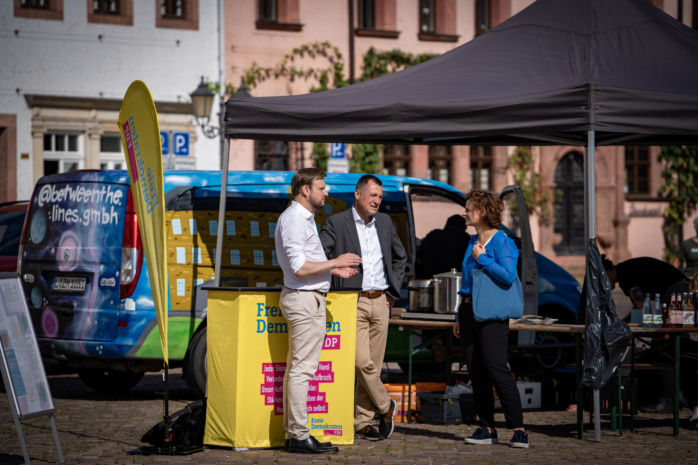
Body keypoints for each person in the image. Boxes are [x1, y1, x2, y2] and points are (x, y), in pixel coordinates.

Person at [275, 168, 362, 454]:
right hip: (304, 300)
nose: (327, 192)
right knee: (302, 371)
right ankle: (300, 436)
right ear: (305, 190)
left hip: (306, 297)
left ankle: (295, 433)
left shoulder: (302, 218)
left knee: (297, 370)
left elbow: (305, 264)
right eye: (322, 188)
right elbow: (300, 268)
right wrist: (335, 261)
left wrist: (332, 270)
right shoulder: (294, 220)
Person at [320, 174, 407, 441]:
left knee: (373, 366)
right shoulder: (337, 222)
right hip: (352, 301)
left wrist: (393, 290)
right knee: (361, 361)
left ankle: (362, 421)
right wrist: (337, 266)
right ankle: (386, 405)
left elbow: (400, 257)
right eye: (372, 195)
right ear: (357, 195)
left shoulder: (385, 221)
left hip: (381, 301)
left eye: (380, 196)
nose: (377, 201)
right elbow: (320, 256)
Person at [452, 190, 529, 449]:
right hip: (469, 311)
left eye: (469, 209)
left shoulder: (503, 242)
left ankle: (519, 430)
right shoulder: (472, 240)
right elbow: (467, 282)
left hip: (492, 314)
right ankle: (487, 428)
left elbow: (508, 276)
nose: (464, 213)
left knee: (497, 370)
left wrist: (482, 258)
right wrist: (459, 315)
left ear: (483, 212)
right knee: (476, 372)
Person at [415, 214, 470, 279]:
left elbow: (420, 254)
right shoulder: (464, 237)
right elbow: (469, 259)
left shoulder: (433, 234)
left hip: (432, 277)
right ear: (463, 228)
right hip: (454, 279)